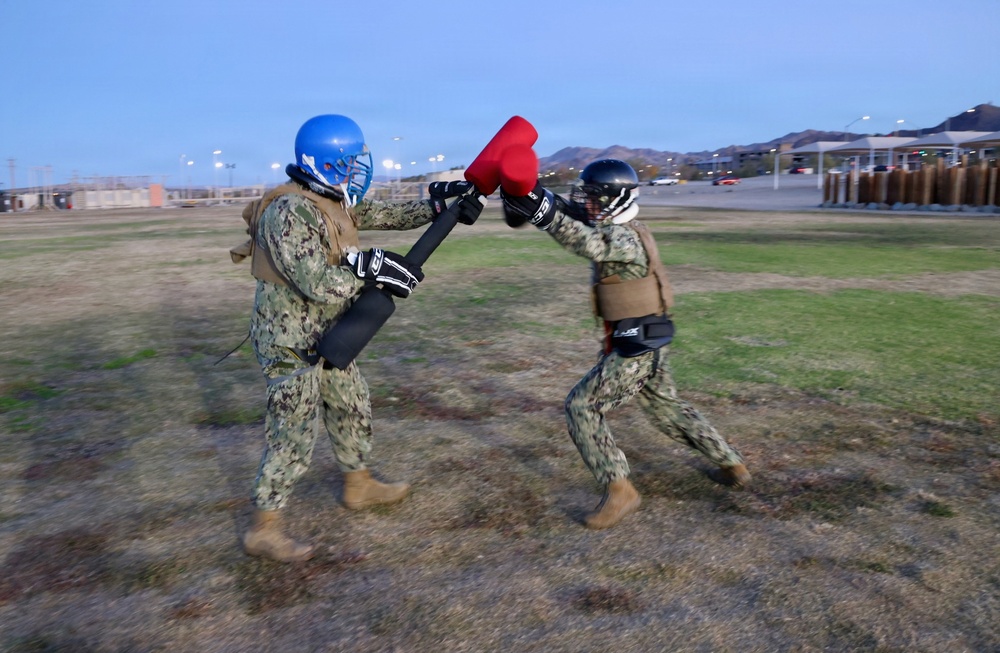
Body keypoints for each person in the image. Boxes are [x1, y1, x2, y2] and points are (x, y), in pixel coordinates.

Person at [230, 114, 486, 561]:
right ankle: (263, 527)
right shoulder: (288, 212)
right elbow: (317, 283)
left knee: (351, 405)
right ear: (322, 162)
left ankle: (359, 484)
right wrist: (373, 270)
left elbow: (387, 214)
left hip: (329, 331)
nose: (356, 170)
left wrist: (441, 205)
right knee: (293, 432)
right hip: (290, 342)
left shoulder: (333, 198)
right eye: (348, 162)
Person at [500, 159, 749, 530]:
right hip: (646, 336)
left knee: (582, 406)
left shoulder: (622, 237)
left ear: (612, 200)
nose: (585, 203)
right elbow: (570, 213)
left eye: (592, 197)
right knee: (668, 408)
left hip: (637, 345)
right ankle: (731, 463)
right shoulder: (618, 223)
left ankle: (620, 490)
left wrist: (543, 216)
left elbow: (586, 242)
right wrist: (532, 193)